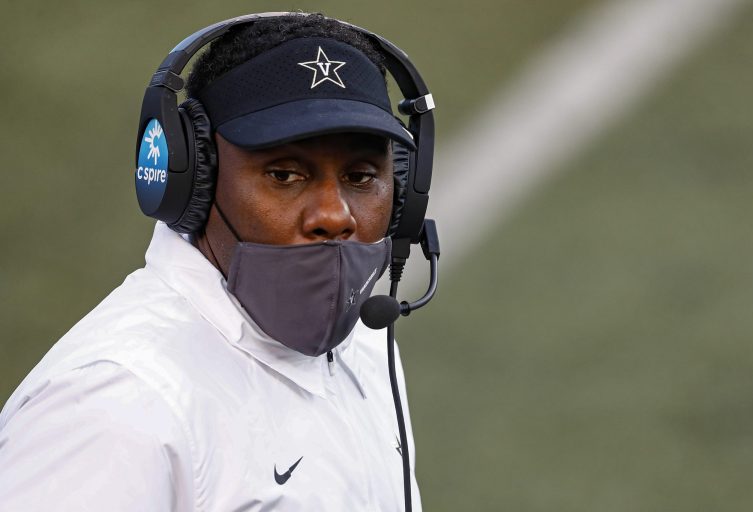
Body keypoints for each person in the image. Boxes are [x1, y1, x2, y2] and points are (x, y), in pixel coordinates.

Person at [0, 12, 436, 511]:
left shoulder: (362, 340)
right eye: (285, 174)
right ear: (194, 178)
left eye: (361, 177)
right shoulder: (116, 407)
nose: (334, 216)